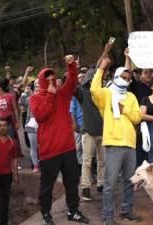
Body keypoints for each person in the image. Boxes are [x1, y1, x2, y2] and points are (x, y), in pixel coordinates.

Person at [30, 55, 89, 225]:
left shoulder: (63, 94)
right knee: (47, 186)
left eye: (53, 79)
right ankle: (46, 214)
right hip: (49, 151)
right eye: (47, 80)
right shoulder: (36, 98)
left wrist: (71, 65)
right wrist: (49, 95)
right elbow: (41, 116)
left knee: (72, 182)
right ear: (42, 82)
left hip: (68, 148)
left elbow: (71, 81)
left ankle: (73, 211)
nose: (51, 82)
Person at [91, 51, 142, 225]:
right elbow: (93, 89)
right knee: (110, 183)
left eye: (129, 78)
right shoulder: (106, 94)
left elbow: (137, 117)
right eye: (123, 76)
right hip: (113, 144)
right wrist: (101, 69)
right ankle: (107, 217)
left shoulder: (131, 97)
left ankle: (126, 211)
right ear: (116, 76)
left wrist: (124, 108)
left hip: (130, 144)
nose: (126, 80)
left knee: (129, 181)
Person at [75, 68, 105, 201]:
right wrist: (74, 69)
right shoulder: (83, 93)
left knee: (102, 162)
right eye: (92, 79)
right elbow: (73, 86)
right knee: (87, 162)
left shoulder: (104, 93)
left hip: (103, 132)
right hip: (88, 133)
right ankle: (85, 188)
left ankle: (101, 184)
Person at [0, 79, 22, 156]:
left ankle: (14, 157)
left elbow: (15, 109)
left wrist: (17, 121)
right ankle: (4, 156)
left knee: (11, 139)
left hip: (9, 120)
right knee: (0, 139)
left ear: (0, 88)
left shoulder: (10, 96)